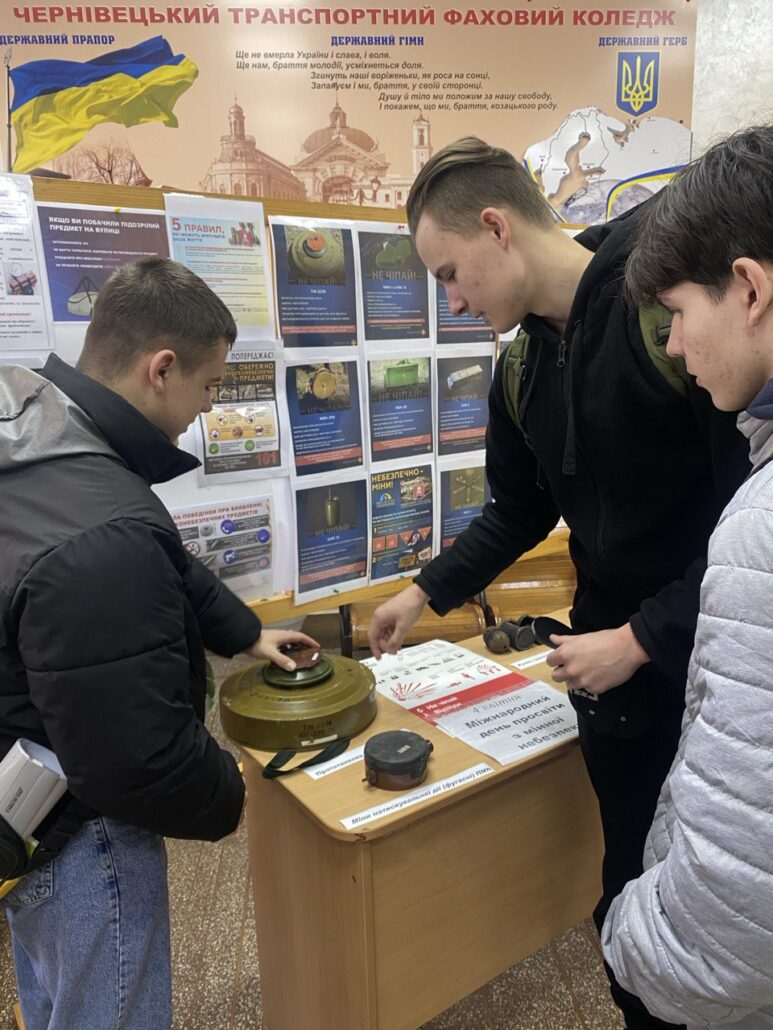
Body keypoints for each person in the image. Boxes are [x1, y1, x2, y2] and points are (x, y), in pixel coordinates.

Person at [367, 138, 751, 1029]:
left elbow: (750, 520)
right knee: (627, 888)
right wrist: (424, 591)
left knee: (716, 912)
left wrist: (643, 638)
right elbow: (518, 510)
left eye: (449, 273)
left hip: (713, 667)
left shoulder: (668, 322)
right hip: (611, 685)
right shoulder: (519, 369)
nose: (452, 301)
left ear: (495, 226)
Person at [0, 256, 316, 1030]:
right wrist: (233, 789)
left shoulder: (39, 430)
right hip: (85, 834)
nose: (208, 407)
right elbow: (134, 760)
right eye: (209, 386)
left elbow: (163, 565)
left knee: (53, 991)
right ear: (161, 368)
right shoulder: (104, 527)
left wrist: (247, 633)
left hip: (18, 796)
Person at [601, 126, 773, 1028]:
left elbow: (731, 925)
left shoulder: (762, 523)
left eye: (675, 311)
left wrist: (626, 933)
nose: (671, 345)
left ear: (747, 288)